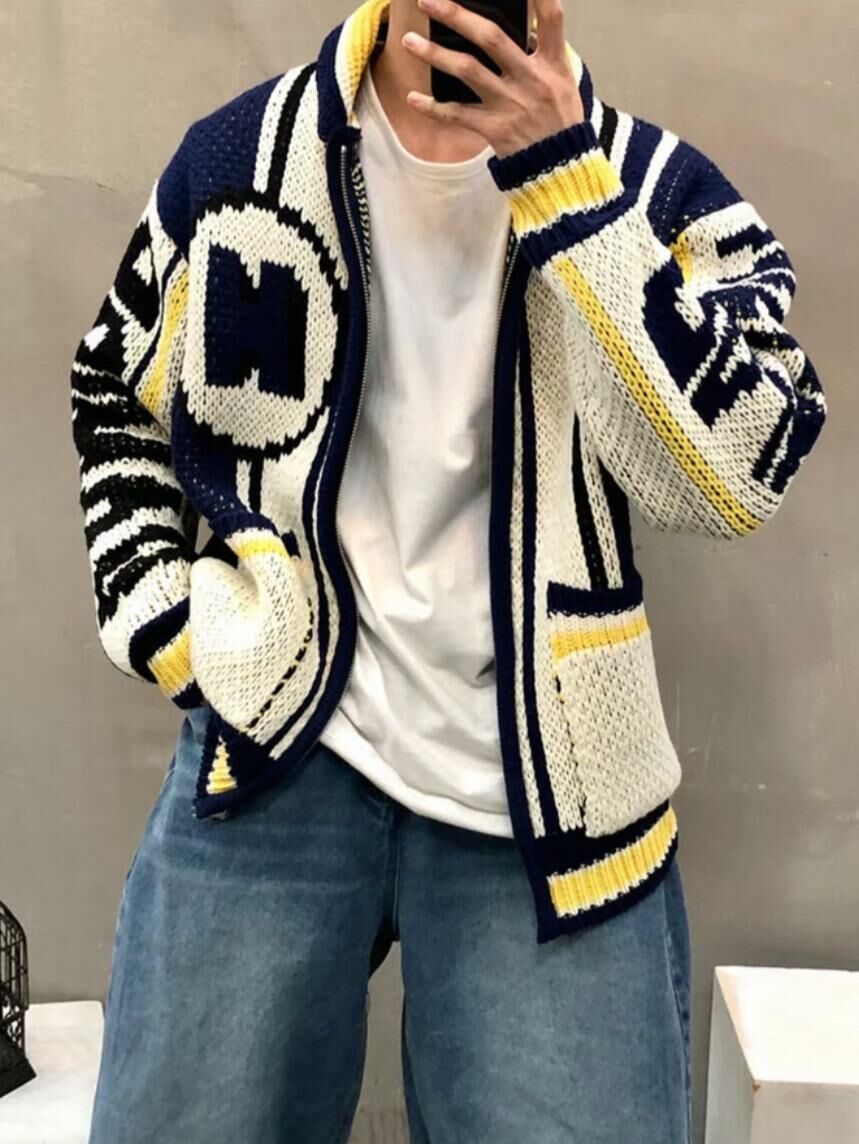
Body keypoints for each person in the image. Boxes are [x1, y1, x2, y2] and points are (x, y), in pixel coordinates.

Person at [70, 0, 827, 1139]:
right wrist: (173, 627)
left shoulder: (660, 191)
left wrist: (567, 183)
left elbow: (733, 477)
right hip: (278, 743)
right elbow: (114, 395)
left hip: (552, 797)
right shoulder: (239, 162)